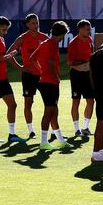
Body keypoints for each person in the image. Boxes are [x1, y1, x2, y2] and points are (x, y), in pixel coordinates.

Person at [6, 13, 49, 138]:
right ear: (27, 25)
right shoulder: (22, 38)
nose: (36, 25)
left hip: (43, 76)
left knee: (49, 103)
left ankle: (52, 131)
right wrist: (20, 67)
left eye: (37, 23)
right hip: (29, 76)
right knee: (28, 102)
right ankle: (31, 130)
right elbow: (9, 54)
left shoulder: (44, 37)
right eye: (33, 23)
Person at [31, 21, 70, 150]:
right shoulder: (52, 44)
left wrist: (40, 70)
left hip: (46, 81)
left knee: (54, 111)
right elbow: (50, 63)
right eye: (63, 35)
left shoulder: (45, 43)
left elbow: (32, 58)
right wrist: (55, 77)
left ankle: (60, 140)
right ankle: (43, 142)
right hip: (49, 83)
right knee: (49, 111)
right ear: (61, 34)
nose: (63, 38)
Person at [67, 19, 95, 136]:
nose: (89, 31)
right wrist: (85, 61)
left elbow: (92, 55)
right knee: (76, 101)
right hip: (76, 75)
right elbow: (71, 62)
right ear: (80, 29)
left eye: (89, 29)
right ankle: (77, 129)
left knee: (91, 101)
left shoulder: (90, 40)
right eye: (87, 29)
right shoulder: (73, 43)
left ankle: (85, 127)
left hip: (87, 75)